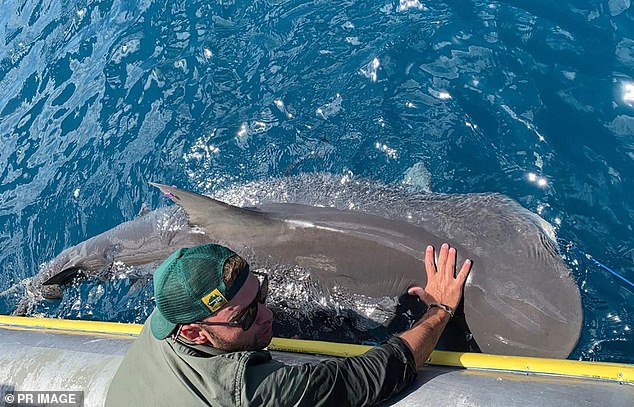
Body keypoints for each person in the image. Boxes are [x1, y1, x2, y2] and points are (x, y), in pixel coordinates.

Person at [105, 242, 471, 406]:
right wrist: (439, 309)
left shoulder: (169, 312)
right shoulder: (252, 391)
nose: (267, 315)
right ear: (193, 332)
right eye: (246, 317)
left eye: (261, 293)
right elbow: (373, 376)